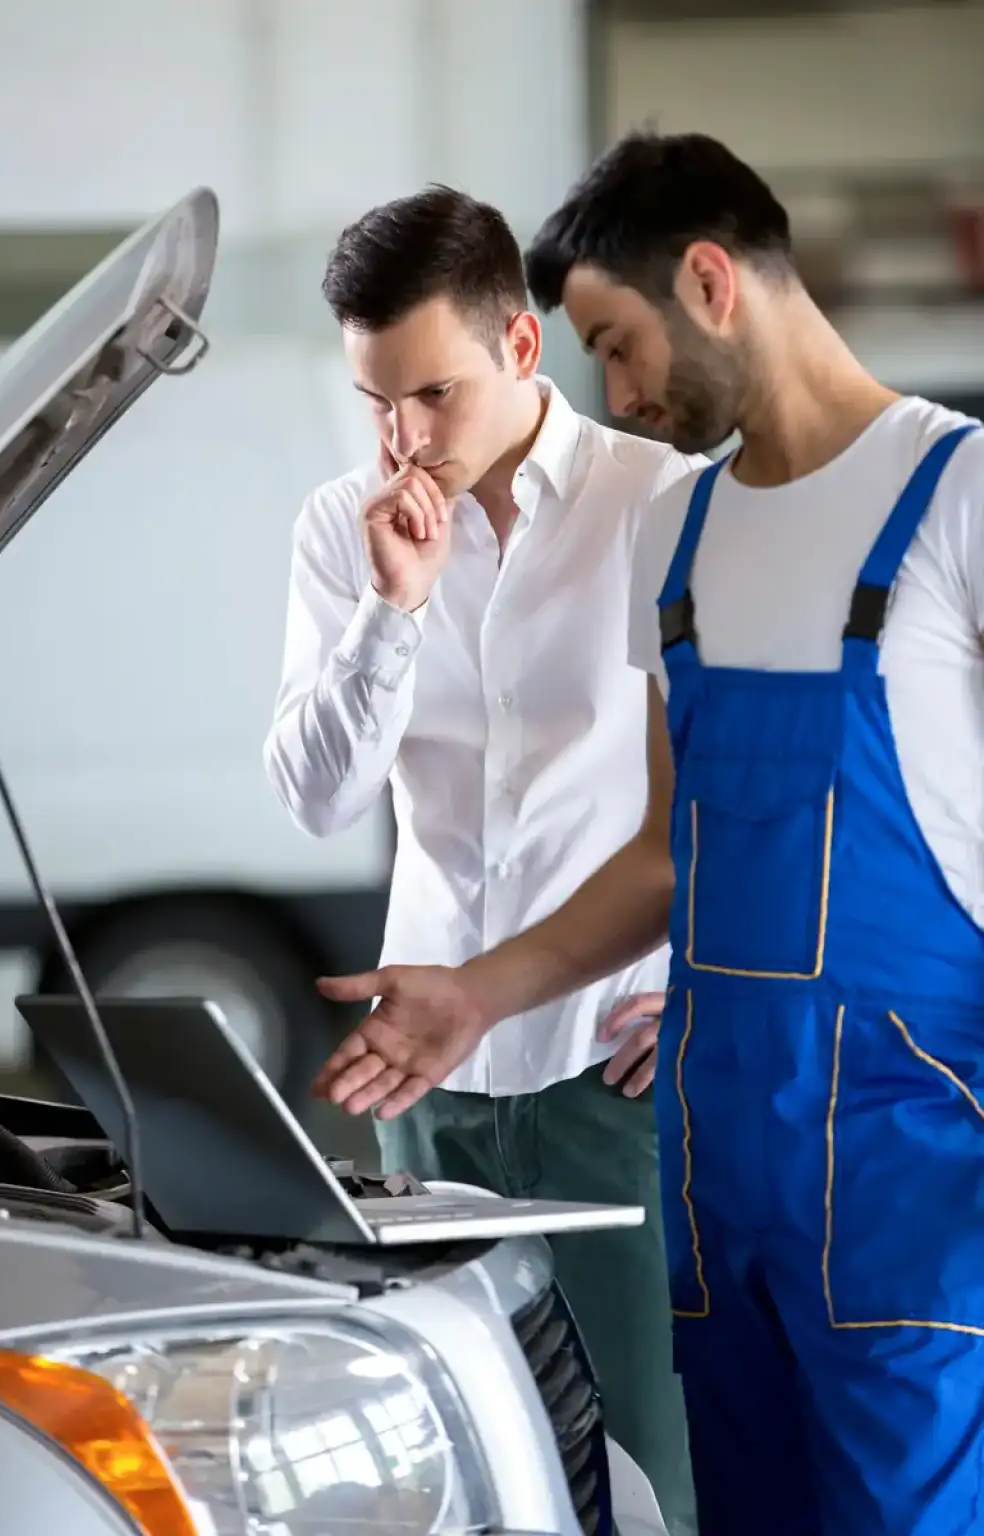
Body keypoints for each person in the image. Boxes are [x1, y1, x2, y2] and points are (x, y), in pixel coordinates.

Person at [311, 134, 984, 1536]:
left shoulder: (956, 495)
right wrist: (471, 996)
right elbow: (673, 854)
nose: (612, 394)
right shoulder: (695, 541)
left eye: (616, 346)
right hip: (715, 1169)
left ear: (709, 280)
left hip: (916, 1176)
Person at [263, 184, 702, 1532]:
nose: (401, 438)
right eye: (375, 400)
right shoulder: (348, 528)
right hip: (430, 1086)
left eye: (431, 395)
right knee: (456, 1475)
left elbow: (731, 800)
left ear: (521, 350)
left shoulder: (667, 507)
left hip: (613, 1077)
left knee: (650, 1475)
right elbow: (316, 803)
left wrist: (701, 981)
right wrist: (390, 615)